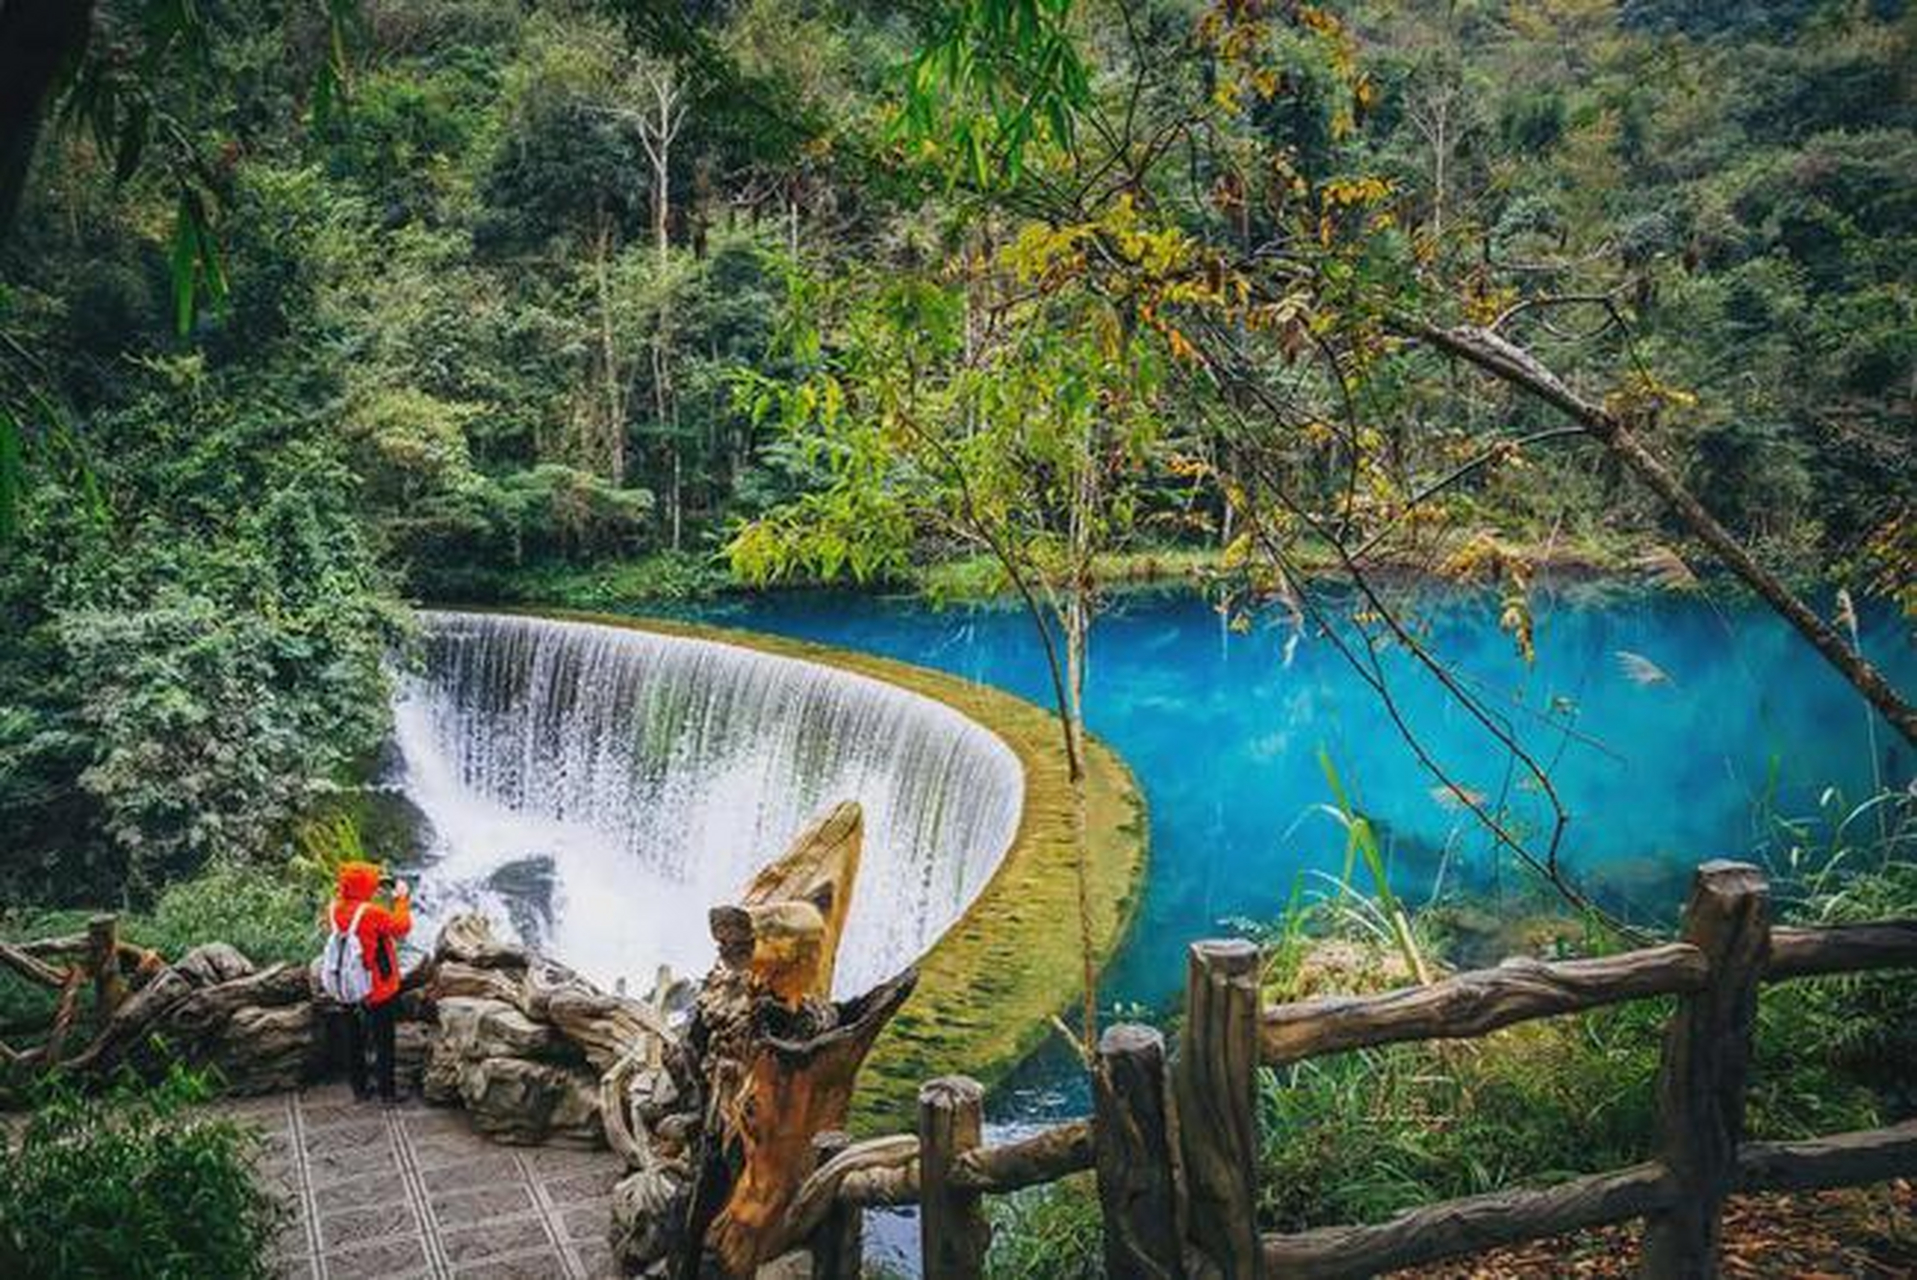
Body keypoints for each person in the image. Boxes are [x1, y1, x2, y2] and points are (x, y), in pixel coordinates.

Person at [329, 860, 412, 1103]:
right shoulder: (371, 913)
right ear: (364, 887)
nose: (376, 888)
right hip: (377, 986)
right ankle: (387, 1093)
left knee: (353, 1038)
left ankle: (360, 1089)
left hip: (347, 984)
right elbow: (402, 927)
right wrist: (401, 899)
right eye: (373, 884)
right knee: (384, 1040)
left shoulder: (334, 908)